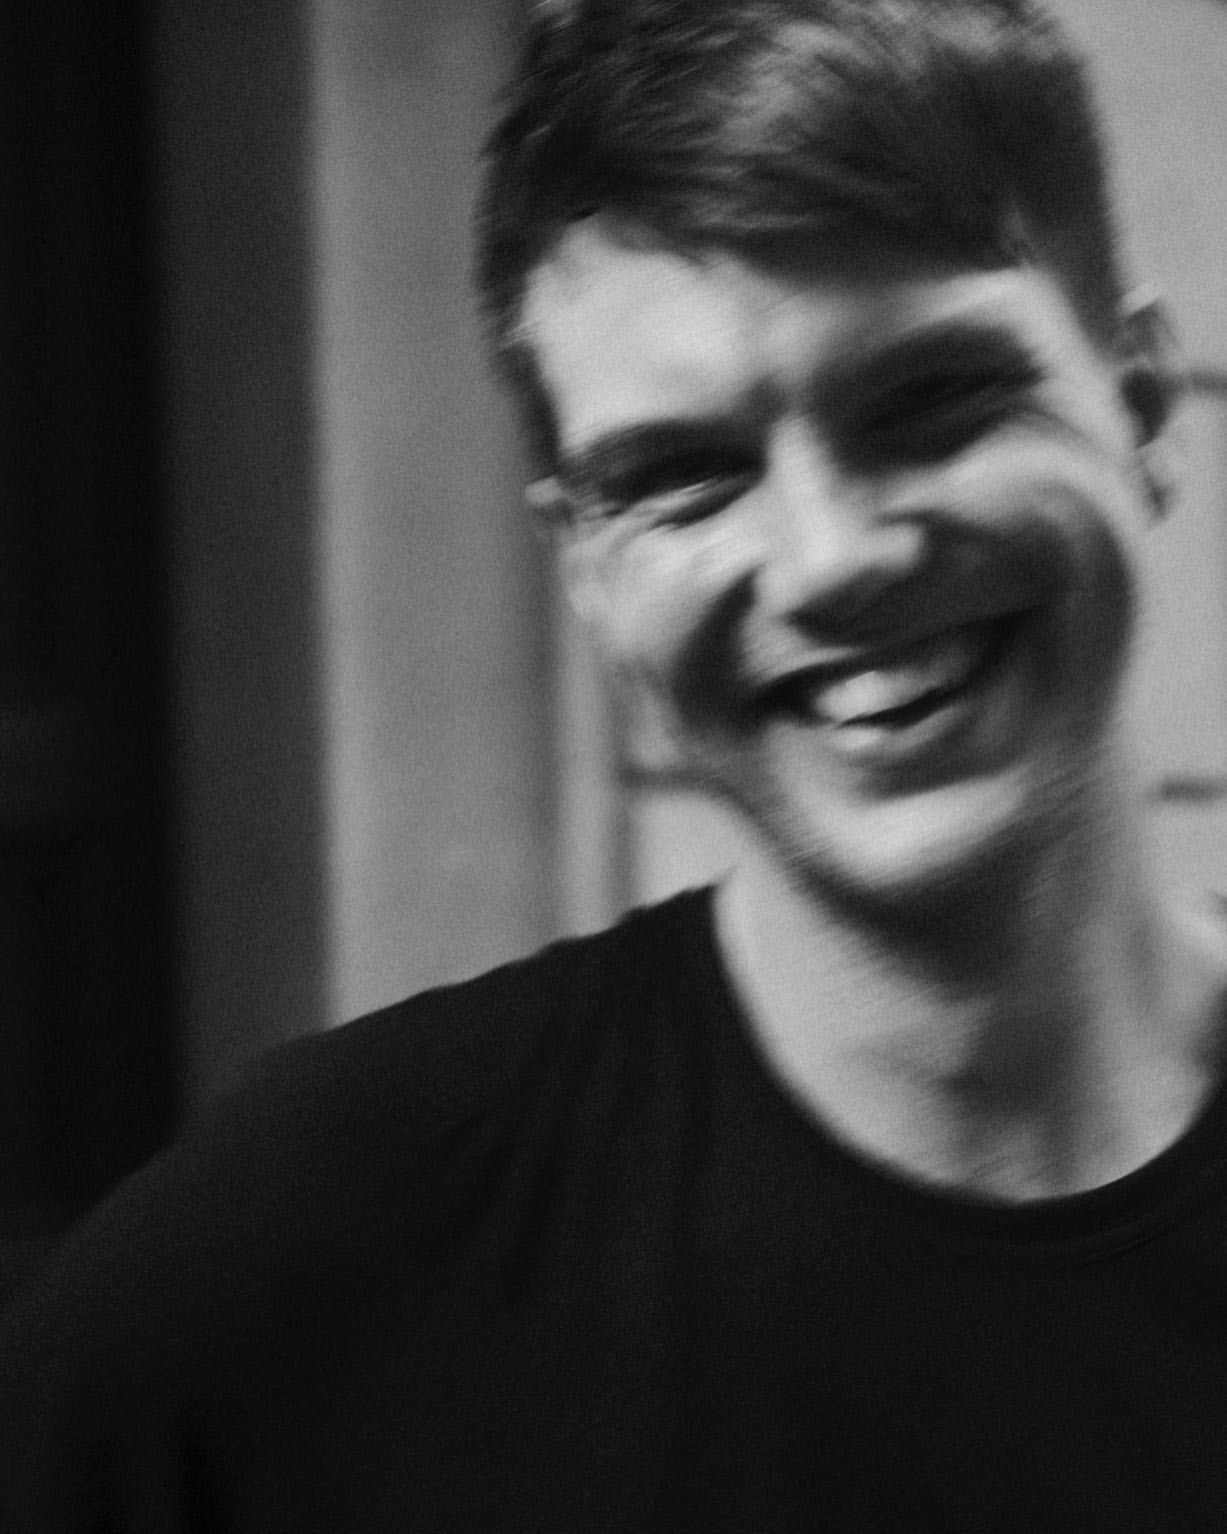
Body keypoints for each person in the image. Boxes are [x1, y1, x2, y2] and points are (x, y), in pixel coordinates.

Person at [3, 0, 1227, 1527]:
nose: (830, 557)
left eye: (932, 400)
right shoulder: (301, 1259)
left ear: (1142, 405)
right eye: (683, 476)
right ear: (585, 566)